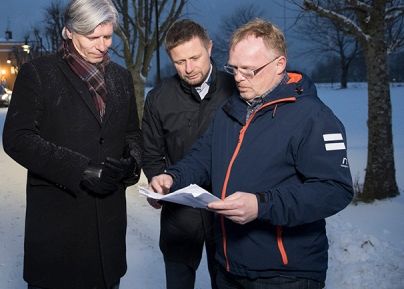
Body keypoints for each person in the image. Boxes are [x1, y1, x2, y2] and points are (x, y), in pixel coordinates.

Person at [148, 18, 353, 288]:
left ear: (279, 64)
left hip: (283, 273)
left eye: (249, 70)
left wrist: (261, 205)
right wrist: (173, 177)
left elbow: (335, 189)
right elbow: (203, 157)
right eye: (233, 69)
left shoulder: (313, 117)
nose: (238, 78)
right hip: (230, 266)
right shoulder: (230, 110)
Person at [2, 0, 143, 289]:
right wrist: (81, 170)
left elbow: (132, 133)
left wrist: (132, 163)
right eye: (93, 37)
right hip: (58, 232)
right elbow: (18, 138)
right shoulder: (38, 74)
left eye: (108, 36)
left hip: (108, 233)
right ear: (68, 31)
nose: (103, 46)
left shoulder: (120, 77)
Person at [142, 19, 234, 289]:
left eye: (195, 57)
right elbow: (151, 153)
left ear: (210, 47)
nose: (189, 68)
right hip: (179, 213)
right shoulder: (158, 98)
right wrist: (157, 182)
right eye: (180, 61)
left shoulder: (237, 91)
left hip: (227, 209)